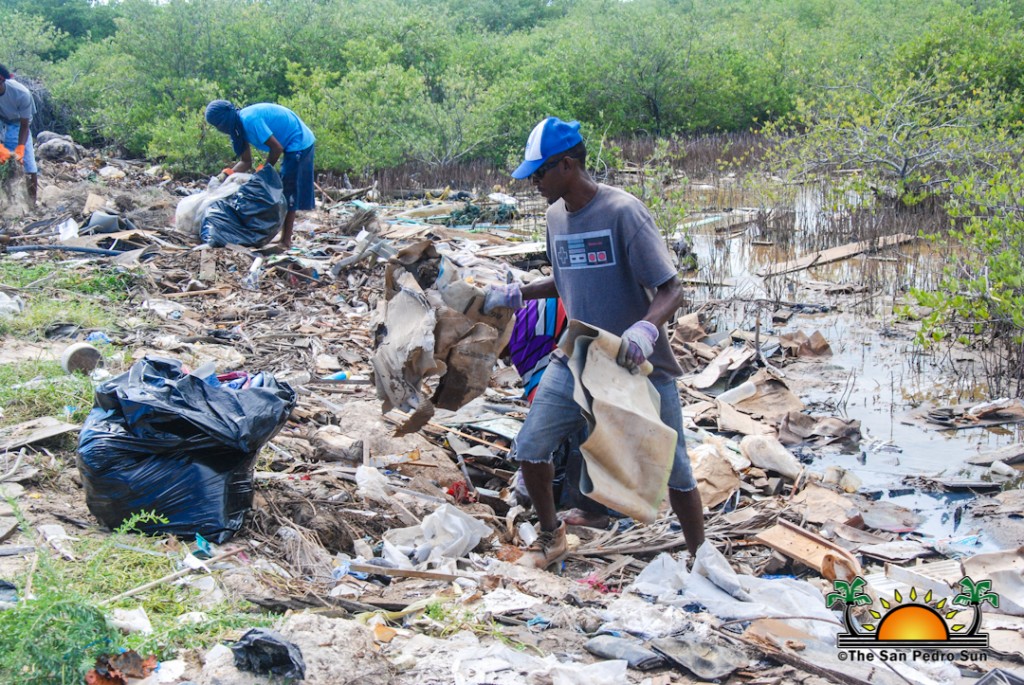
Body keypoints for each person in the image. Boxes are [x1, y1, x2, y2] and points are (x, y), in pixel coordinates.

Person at [485, 116, 705, 568]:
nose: (534, 184)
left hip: (633, 361)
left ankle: (701, 556)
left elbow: (671, 288)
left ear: (567, 165)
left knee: (676, 469)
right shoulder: (554, 217)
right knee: (531, 446)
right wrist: (518, 293)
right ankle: (552, 536)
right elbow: (566, 276)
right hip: (578, 354)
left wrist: (646, 328)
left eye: (539, 173)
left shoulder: (623, 212)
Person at [204, 100, 316, 249]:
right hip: (287, 143)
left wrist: (263, 172)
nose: (219, 129)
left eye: (218, 125)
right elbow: (246, 162)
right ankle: (280, 236)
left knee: (288, 191)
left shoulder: (249, 121)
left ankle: (286, 241)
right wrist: (225, 176)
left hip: (299, 140)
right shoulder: (237, 129)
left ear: (223, 121)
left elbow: (276, 148)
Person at [0, 63, 38, 207]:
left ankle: (32, 203)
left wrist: (20, 147)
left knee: (28, 164)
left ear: (2, 80)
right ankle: (6, 202)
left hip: (18, 122)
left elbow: (24, 125)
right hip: (1, 119)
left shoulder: (21, 93)